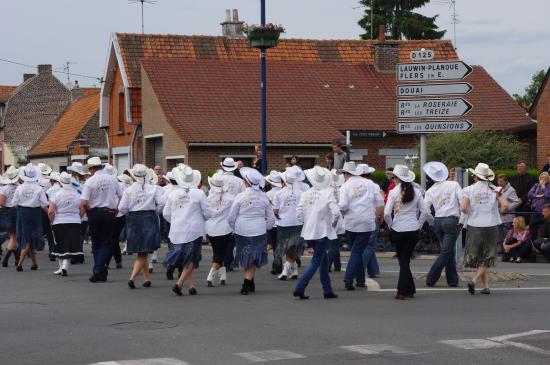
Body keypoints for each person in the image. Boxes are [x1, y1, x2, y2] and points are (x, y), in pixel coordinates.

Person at [385, 165, 431, 300]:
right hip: (413, 230)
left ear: (397, 178)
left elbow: (387, 213)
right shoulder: (416, 192)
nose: (392, 180)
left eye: (393, 177)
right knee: (405, 260)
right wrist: (420, 224)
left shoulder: (393, 192)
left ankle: (401, 291)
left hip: (398, 229)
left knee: (403, 260)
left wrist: (390, 226)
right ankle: (410, 289)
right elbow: (425, 212)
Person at [461, 163, 509, 295]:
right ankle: (485, 286)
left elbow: (464, 208)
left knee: (478, 257)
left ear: (476, 175)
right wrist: (496, 211)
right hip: (491, 225)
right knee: (488, 256)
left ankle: (475, 280)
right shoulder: (495, 189)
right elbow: (505, 205)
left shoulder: (469, 189)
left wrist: (473, 211)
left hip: (474, 225)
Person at [293, 166, 339, 300]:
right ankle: (300, 287)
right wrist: (334, 222)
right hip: (322, 231)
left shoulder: (305, 193)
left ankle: (328, 290)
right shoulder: (327, 193)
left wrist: (306, 222)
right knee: (316, 261)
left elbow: (299, 214)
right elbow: (336, 212)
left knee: (323, 261)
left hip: (309, 231)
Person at [164, 165, 211, 296]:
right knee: (193, 258)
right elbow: (208, 212)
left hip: (177, 229)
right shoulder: (199, 193)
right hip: (193, 229)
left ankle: (191, 286)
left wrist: (176, 221)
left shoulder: (173, 194)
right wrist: (202, 217)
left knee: (188, 258)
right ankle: (179, 284)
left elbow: (166, 213)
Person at [228, 167, 276, 295]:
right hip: (258, 229)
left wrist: (234, 227)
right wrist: (266, 227)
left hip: (241, 229)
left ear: (246, 182)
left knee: (246, 254)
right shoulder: (264, 197)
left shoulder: (240, 196)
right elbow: (271, 217)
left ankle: (249, 281)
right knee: (254, 257)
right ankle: (247, 282)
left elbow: (231, 216)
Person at [339, 162, 384, 291]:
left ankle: (352, 278)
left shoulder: (346, 186)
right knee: (357, 250)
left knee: (356, 250)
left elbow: (343, 205)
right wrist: (379, 216)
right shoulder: (371, 184)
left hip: (351, 221)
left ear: (346, 174)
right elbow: (380, 202)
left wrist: (342, 214)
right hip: (366, 221)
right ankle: (358, 279)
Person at [118, 164, 164, 289]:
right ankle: (132, 279)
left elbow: (121, 208)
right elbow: (161, 203)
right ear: (146, 175)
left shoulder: (129, 190)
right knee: (143, 252)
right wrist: (154, 211)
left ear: (133, 175)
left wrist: (130, 213)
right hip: (149, 218)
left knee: (142, 251)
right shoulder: (154, 188)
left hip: (134, 219)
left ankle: (146, 278)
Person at [81, 157, 123, 283]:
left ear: (92, 169)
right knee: (107, 242)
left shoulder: (90, 181)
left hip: (94, 212)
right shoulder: (112, 179)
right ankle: (100, 271)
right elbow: (122, 196)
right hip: (109, 212)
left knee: (96, 242)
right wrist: (117, 208)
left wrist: (88, 211)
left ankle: (99, 270)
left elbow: (84, 202)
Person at [423, 162, 463, 288]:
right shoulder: (454, 184)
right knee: (446, 251)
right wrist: (463, 219)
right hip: (451, 219)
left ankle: (452, 279)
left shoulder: (430, 190)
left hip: (438, 220)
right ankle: (431, 277)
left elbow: (425, 210)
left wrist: (431, 221)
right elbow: (462, 201)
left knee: (448, 250)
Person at [13, 164, 49, 271]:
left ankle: (34, 263)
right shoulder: (39, 188)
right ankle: (20, 264)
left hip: (22, 212)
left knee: (26, 236)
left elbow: (14, 203)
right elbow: (44, 204)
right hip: (34, 213)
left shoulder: (19, 188)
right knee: (30, 238)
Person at [273, 166, 307, 281]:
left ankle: (285, 269)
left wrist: (279, 215)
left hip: (283, 222)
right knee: (294, 246)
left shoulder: (279, 193)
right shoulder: (302, 193)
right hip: (298, 222)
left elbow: (275, 210)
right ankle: (294, 270)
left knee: (287, 247)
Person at [48, 172, 83, 276]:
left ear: (60, 182)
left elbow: (50, 211)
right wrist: (77, 217)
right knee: (70, 245)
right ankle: (62, 267)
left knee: (60, 244)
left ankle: (62, 267)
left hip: (60, 221)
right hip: (74, 221)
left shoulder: (57, 194)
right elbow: (82, 209)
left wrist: (51, 221)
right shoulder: (77, 194)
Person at [205, 172, 235, 287]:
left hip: (211, 229)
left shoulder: (208, 198)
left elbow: (206, 214)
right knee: (219, 254)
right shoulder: (231, 198)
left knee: (217, 251)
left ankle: (223, 276)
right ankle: (211, 276)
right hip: (225, 229)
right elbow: (232, 214)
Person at [357, 163, 382, 279]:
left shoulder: (352, 185)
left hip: (356, 218)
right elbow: (380, 202)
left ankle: (373, 270)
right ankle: (360, 270)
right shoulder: (374, 186)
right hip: (371, 217)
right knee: (369, 245)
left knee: (366, 245)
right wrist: (379, 216)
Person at [219, 157, 245, 270]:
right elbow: (243, 196)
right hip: (234, 209)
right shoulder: (239, 181)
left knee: (220, 235)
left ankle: (220, 259)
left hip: (220, 209)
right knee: (230, 236)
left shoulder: (218, 178)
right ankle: (228, 261)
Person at [67, 162, 89, 264]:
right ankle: (79, 253)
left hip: (73, 209)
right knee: (81, 233)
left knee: (74, 234)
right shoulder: (85, 182)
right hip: (84, 209)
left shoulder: (70, 182)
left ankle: (76, 254)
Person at [0, 166, 21, 267]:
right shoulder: (19, 187)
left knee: (13, 236)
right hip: (17, 211)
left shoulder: (4, 189)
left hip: (8, 212)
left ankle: (14, 259)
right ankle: (7, 259)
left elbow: (2, 203)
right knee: (13, 236)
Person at [264, 171, 283, 274]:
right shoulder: (284, 192)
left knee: (275, 245)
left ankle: (277, 265)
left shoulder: (267, 194)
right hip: (283, 221)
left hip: (273, 222)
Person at [37, 162, 56, 261]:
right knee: (49, 230)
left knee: (38, 228)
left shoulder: (37, 181)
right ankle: (52, 251)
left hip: (38, 206)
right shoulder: (49, 181)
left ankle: (37, 245)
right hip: (49, 205)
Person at [327, 169, 344, 272]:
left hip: (331, 217)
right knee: (335, 243)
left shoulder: (327, 190)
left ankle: (328, 265)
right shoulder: (342, 189)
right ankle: (337, 265)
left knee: (333, 244)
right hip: (339, 218)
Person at [496, 174, 520, 246]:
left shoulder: (511, 190)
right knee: (501, 237)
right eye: (498, 181)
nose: (499, 183)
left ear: (506, 181)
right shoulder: (499, 189)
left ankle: (507, 253)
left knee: (507, 236)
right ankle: (503, 252)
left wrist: (506, 209)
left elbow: (516, 202)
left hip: (508, 218)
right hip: (499, 217)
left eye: (501, 181)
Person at [527, 172, 550, 238]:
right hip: (534, 209)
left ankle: (542, 244)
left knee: (543, 229)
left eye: (545, 177)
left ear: (548, 179)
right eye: (542, 177)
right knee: (532, 228)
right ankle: (533, 246)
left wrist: (543, 187)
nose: (543, 179)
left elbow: (547, 195)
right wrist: (538, 196)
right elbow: (529, 194)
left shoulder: (549, 186)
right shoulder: (536, 185)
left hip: (544, 211)